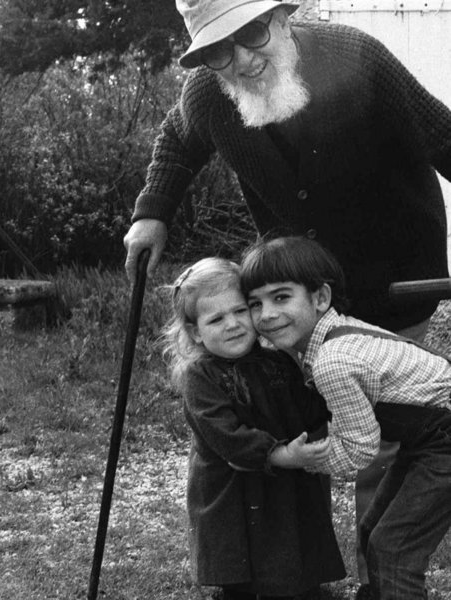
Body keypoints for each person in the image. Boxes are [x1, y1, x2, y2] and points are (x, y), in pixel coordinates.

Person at [123, 3, 450, 594]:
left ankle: (385, 575)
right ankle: (304, 569)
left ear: (281, 17)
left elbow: (444, 135)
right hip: (297, 293)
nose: (241, 59)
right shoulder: (208, 92)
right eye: (218, 50)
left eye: (250, 33)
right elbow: (177, 140)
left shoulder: (356, 57)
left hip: (394, 280)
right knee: (309, 414)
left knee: (385, 429)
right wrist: (152, 212)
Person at [239, 235, 451, 600]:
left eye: (281, 297)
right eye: (255, 304)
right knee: (372, 530)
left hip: (443, 442)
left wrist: (297, 459)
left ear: (321, 298)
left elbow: (359, 449)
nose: (267, 314)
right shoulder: (336, 333)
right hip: (430, 438)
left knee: (395, 550)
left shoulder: (333, 360)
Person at [162, 256, 346, 600]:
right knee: (242, 572)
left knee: (294, 553)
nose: (232, 324)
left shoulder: (278, 360)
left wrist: (332, 387)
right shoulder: (201, 376)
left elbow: (308, 409)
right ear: (195, 332)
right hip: (234, 489)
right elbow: (224, 434)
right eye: (216, 319)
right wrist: (278, 453)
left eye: (240, 310)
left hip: (286, 484)